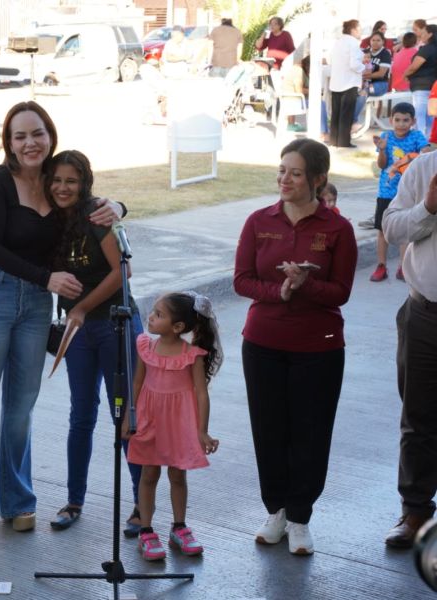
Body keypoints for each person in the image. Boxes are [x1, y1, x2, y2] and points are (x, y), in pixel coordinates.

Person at [0, 101, 124, 546]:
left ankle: (17, 501)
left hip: (37, 305)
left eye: (37, 133)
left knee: (21, 408)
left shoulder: (57, 182)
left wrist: (119, 205)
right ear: (9, 142)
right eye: (20, 136)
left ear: (50, 135)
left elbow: (91, 205)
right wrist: (46, 277)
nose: (30, 143)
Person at [234, 138, 357, 555]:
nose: (284, 179)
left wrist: (307, 285)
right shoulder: (258, 220)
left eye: (296, 173)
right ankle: (276, 511)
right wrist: (280, 291)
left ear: (318, 179)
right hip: (262, 342)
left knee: (311, 433)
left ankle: (300, 517)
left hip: (319, 346)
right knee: (268, 431)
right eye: (282, 170)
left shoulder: (338, 228)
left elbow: (341, 292)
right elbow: (242, 280)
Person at [42, 150, 143, 535]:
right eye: (56, 180)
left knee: (126, 416)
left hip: (113, 325)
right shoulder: (50, 219)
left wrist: (82, 307)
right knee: (81, 415)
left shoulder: (98, 215)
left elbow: (123, 272)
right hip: (79, 331)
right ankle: (74, 501)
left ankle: (141, 505)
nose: (62, 187)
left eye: (71, 180)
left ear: (84, 182)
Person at [122, 292, 221, 560]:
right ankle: (146, 531)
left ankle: (179, 527)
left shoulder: (192, 355)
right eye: (153, 312)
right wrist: (129, 417)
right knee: (149, 475)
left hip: (179, 424)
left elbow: (201, 393)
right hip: (150, 421)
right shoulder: (146, 347)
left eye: (159, 315)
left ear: (177, 327)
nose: (150, 317)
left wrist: (202, 431)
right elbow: (137, 383)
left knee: (178, 476)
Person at [382, 139, 437, 549]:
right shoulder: (423, 169)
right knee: (417, 415)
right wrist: (428, 208)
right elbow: (392, 228)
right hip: (425, 312)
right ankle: (415, 509)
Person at [370, 102, 430, 283]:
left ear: (413, 121)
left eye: (405, 120)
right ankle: (381, 265)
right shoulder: (386, 137)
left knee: (404, 230)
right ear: (391, 120)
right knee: (382, 230)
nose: (401, 124)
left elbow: (426, 152)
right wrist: (382, 149)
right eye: (397, 120)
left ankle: (403, 266)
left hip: (407, 192)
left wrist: (422, 153)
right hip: (386, 191)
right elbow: (382, 165)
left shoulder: (417, 136)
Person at [329, 20, 366, 148]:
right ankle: (344, 142)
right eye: (359, 29)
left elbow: (330, 60)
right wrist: (364, 68)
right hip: (349, 82)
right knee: (346, 114)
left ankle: (334, 140)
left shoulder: (338, 42)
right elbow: (354, 64)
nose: (360, 32)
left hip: (336, 82)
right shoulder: (353, 43)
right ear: (353, 29)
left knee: (336, 114)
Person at [403, 24, 437, 137]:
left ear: (430, 34)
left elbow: (414, 66)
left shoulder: (427, 49)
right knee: (429, 116)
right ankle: (427, 141)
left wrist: (405, 74)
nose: (421, 35)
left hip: (421, 86)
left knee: (419, 116)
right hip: (433, 87)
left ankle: (420, 141)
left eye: (423, 33)